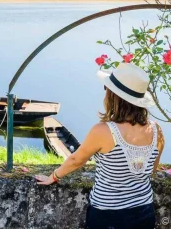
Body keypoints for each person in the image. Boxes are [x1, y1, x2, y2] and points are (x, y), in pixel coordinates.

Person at [35, 63, 165, 229]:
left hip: (108, 215)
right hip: (144, 211)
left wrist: (53, 177)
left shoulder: (104, 131)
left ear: (114, 97)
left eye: (107, 88)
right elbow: (152, 169)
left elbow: (76, 160)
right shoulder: (156, 130)